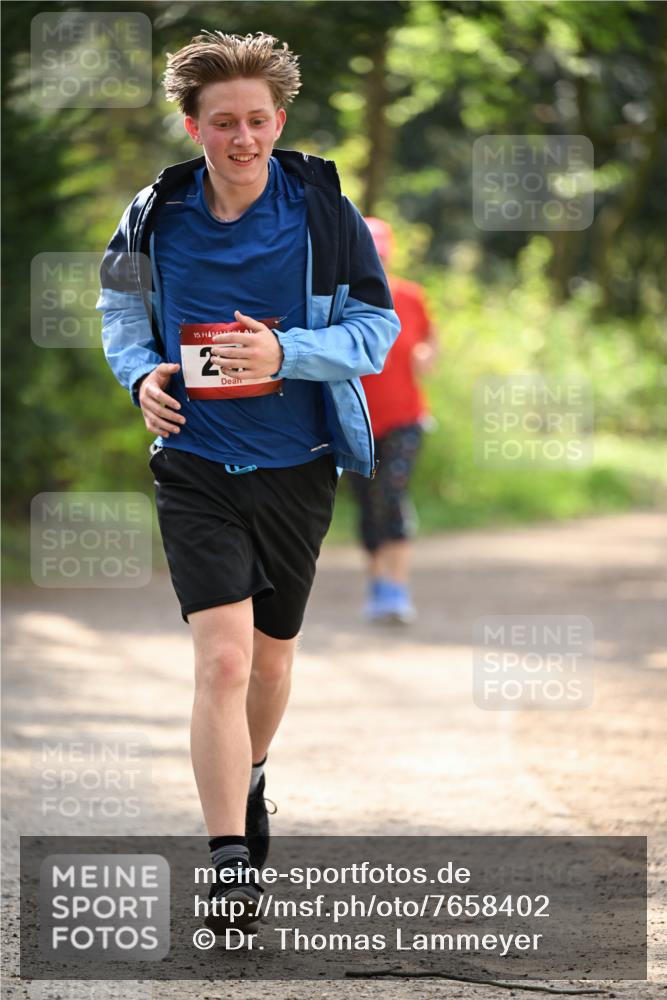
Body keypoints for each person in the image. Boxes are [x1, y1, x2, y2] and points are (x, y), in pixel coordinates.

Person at [97, 31, 399, 930]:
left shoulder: (323, 213)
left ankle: (252, 773)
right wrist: (142, 374)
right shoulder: (154, 212)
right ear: (193, 125)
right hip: (194, 462)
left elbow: (372, 334)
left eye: (257, 121)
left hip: (297, 465)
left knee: (269, 660)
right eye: (223, 123)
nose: (242, 139)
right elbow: (119, 310)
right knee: (222, 660)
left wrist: (285, 350)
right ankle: (230, 862)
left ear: (279, 121)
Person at [347, 217, 437, 625]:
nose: (376, 262)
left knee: (392, 494)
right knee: (367, 503)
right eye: (370, 255)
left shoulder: (411, 297)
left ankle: (396, 589)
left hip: (405, 419)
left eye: (381, 255)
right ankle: (378, 585)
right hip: (355, 421)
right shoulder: (340, 301)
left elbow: (430, 340)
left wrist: (427, 356)